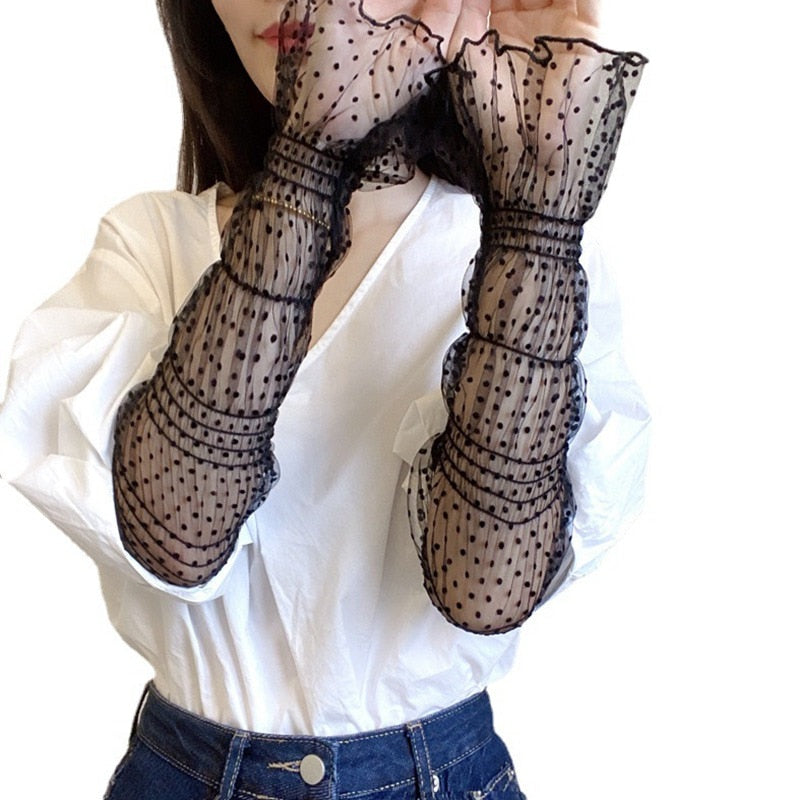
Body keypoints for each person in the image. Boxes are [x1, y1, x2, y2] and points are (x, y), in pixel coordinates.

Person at [0, 0, 649, 797]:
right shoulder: (151, 248)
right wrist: (306, 166)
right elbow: (176, 530)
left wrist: (535, 220)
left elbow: (484, 584)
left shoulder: (526, 280)